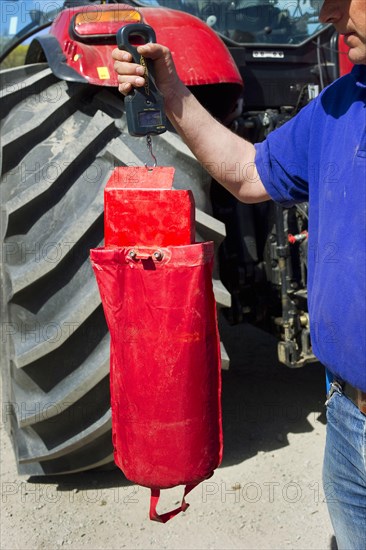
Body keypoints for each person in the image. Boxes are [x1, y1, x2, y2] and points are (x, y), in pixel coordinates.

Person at [112, 0, 366, 547]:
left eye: (345, 0)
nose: (327, 15)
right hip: (349, 420)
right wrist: (172, 91)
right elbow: (250, 174)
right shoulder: (340, 106)